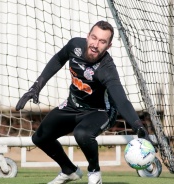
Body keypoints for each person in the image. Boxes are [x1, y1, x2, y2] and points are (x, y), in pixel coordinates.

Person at [16, 20, 155, 184]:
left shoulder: (107, 69)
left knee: (82, 134)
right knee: (39, 138)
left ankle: (94, 174)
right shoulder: (74, 45)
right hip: (72, 105)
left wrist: (137, 125)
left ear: (108, 46)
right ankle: (69, 171)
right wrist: (36, 86)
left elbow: (121, 100)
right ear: (87, 36)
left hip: (100, 112)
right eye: (94, 38)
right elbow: (58, 59)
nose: (96, 44)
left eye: (102, 41)